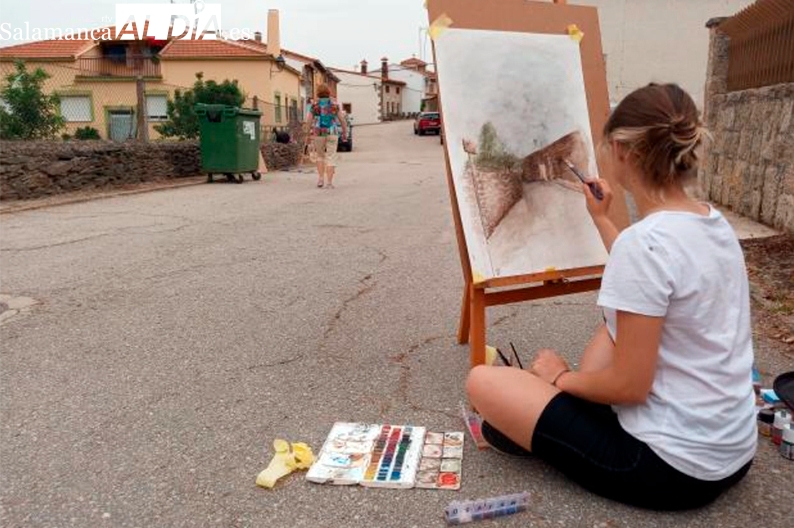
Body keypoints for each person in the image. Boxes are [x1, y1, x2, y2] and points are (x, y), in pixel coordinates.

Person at [466, 83, 756, 510]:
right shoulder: (713, 223)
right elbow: (649, 275)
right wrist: (601, 219)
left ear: (621, 150)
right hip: (733, 451)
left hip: (670, 469)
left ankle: (547, 422)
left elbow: (629, 387)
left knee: (483, 381)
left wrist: (558, 377)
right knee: (612, 325)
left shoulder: (645, 244)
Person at [309, 85, 348, 189]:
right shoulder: (334, 105)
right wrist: (344, 132)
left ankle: (321, 179)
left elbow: (309, 120)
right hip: (332, 131)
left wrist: (307, 133)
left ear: (318, 93)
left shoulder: (315, 105)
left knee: (320, 156)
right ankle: (329, 183)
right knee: (331, 156)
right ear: (328, 92)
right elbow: (342, 120)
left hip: (318, 132)